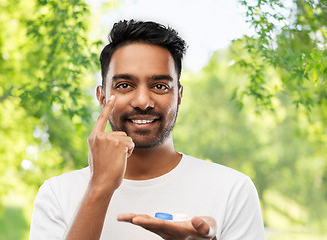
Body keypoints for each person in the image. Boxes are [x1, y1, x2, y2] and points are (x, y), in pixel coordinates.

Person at [29, 19, 266, 240]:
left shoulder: (232, 190)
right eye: (124, 85)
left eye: (160, 86)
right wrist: (99, 188)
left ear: (179, 96)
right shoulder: (57, 194)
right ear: (102, 96)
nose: (143, 101)